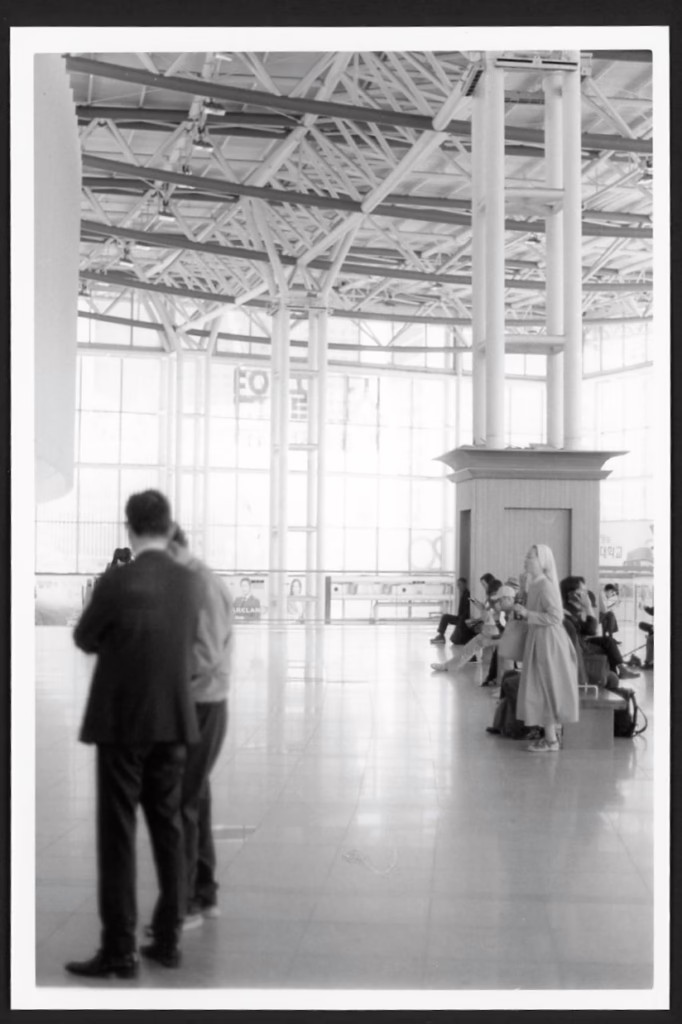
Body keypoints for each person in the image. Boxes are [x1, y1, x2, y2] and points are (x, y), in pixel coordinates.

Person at [66, 490, 202, 978]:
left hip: (120, 722)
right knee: (168, 828)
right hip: (173, 719)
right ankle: (167, 941)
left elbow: (83, 637)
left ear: (129, 528)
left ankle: (120, 949)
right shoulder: (191, 584)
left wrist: (115, 641)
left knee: (118, 834)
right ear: (168, 528)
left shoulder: (116, 581)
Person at [166, 526, 234, 929]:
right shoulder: (188, 582)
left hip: (202, 705)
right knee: (195, 797)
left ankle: (187, 902)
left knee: (181, 800)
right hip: (197, 702)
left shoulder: (201, 585)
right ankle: (204, 893)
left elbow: (204, 656)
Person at [513, 544, 579, 753]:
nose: (526, 559)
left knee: (547, 686)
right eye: (527, 555)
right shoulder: (536, 584)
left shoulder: (546, 586)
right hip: (539, 638)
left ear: (542, 561)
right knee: (540, 687)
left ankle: (551, 740)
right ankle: (549, 737)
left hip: (549, 641)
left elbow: (556, 616)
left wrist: (527, 614)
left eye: (530, 557)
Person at [429, 577, 476, 645]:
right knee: (445, 617)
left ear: (465, 584)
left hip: (463, 619)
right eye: (458, 585)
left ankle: (441, 636)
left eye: (460, 585)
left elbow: (466, 610)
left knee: (445, 617)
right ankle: (441, 636)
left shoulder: (467, 594)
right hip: (460, 617)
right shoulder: (463, 593)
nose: (459, 587)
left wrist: (462, 620)